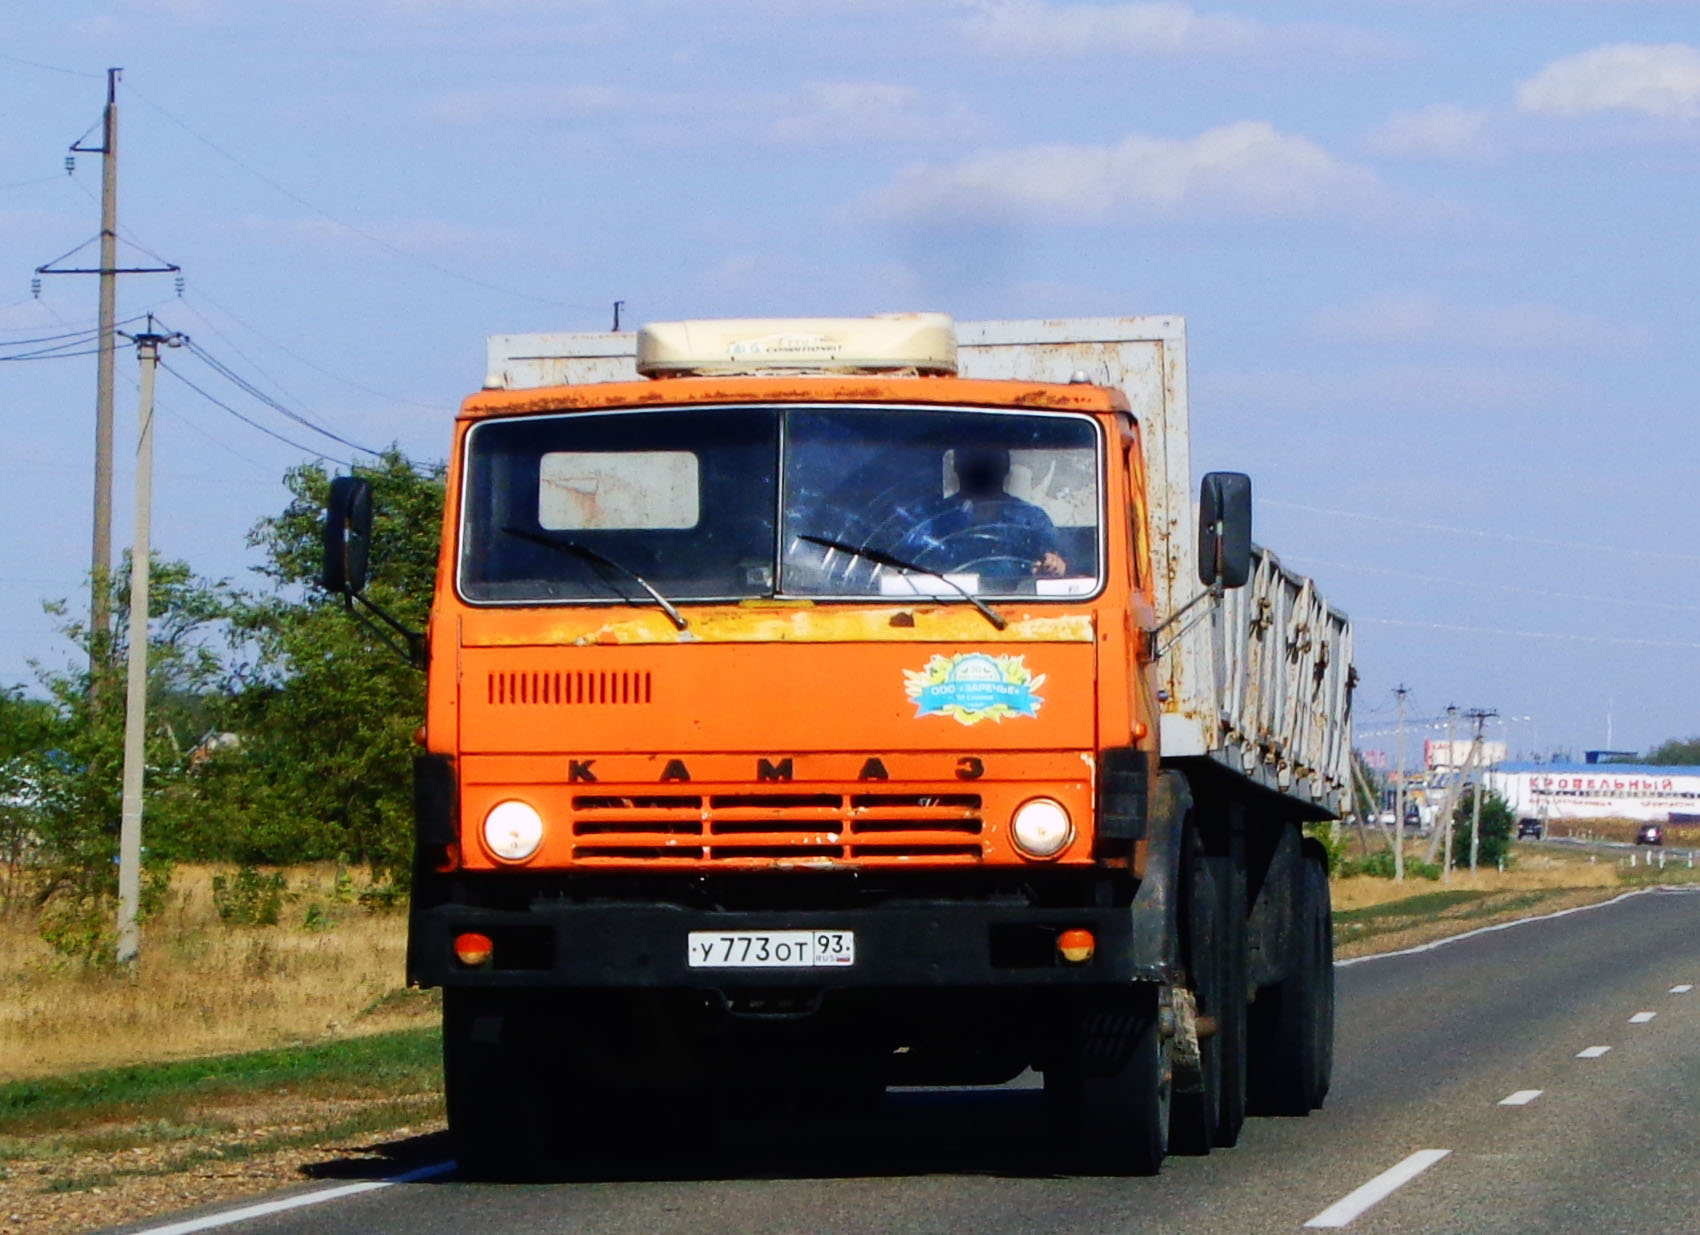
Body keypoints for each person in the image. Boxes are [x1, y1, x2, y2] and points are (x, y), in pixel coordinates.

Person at [899, 446, 1066, 578]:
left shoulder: (1030, 518)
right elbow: (905, 565)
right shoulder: (933, 518)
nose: (981, 472)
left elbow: (1059, 564)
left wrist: (1052, 566)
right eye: (972, 464)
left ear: (1005, 468)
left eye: (990, 464)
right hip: (939, 608)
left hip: (1017, 606)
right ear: (957, 467)